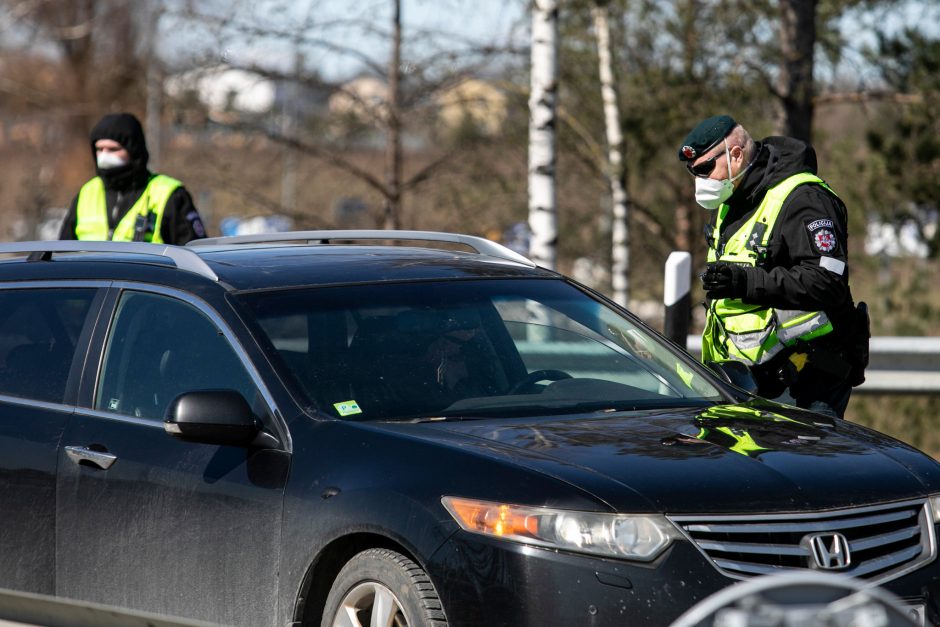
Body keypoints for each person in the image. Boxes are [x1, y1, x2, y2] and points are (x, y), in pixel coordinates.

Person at [678, 115, 868, 418]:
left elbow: (827, 282)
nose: (699, 181)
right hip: (747, 382)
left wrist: (745, 282)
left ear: (736, 155)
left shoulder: (804, 198)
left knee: (801, 467)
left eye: (704, 169)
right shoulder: (729, 203)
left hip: (807, 380)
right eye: (693, 172)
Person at [59, 112, 207, 244]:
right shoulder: (87, 193)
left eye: (113, 149)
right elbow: (62, 252)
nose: (104, 156)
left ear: (134, 151)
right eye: (99, 149)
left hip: (146, 275)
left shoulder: (168, 194)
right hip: (91, 275)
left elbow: (193, 253)